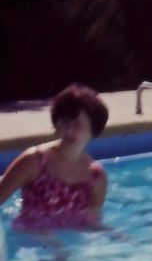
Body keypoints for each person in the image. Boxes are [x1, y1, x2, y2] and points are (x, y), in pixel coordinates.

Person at [0, 84, 110, 231]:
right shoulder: (34, 161)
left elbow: (92, 220)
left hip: (68, 240)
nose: (69, 130)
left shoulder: (97, 177)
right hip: (31, 238)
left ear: (93, 129)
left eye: (77, 124)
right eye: (65, 122)